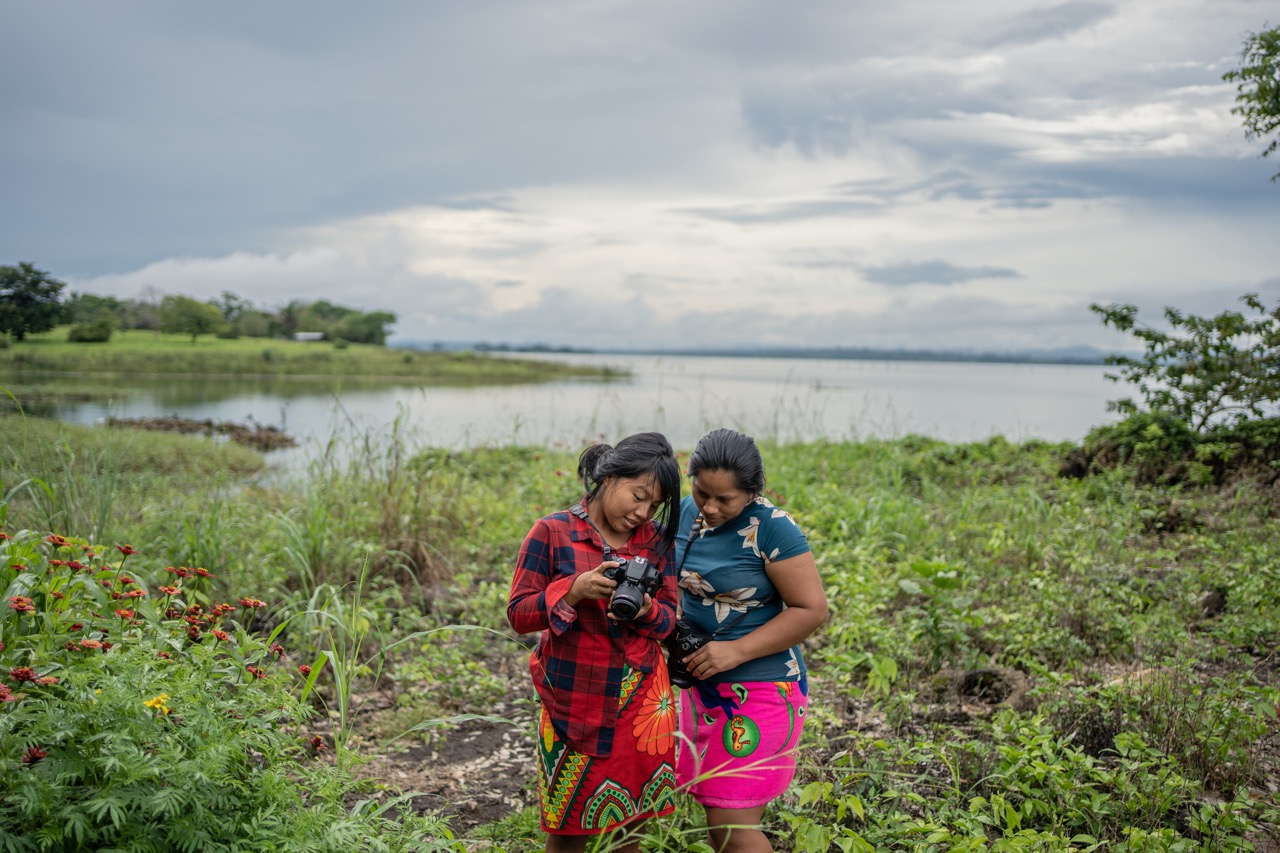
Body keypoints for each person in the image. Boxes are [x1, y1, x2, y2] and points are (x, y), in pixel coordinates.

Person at [507, 432, 682, 853]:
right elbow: (518, 614)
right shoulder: (552, 531)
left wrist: (646, 611)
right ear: (608, 477)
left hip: (639, 701)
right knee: (567, 831)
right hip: (573, 697)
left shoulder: (656, 541)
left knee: (631, 828)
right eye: (637, 495)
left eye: (653, 505)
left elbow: (671, 621)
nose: (642, 512)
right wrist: (573, 590)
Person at [672, 428, 829, 853]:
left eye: (726, 499)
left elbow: (811, 610)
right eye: (703, 492)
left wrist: (735, 651)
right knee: (715, 815)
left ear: (753, 492)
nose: (710, 506)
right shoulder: (684, 513)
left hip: (760, 687)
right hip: (697, 684)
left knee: (732, 826)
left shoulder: (773, 529)